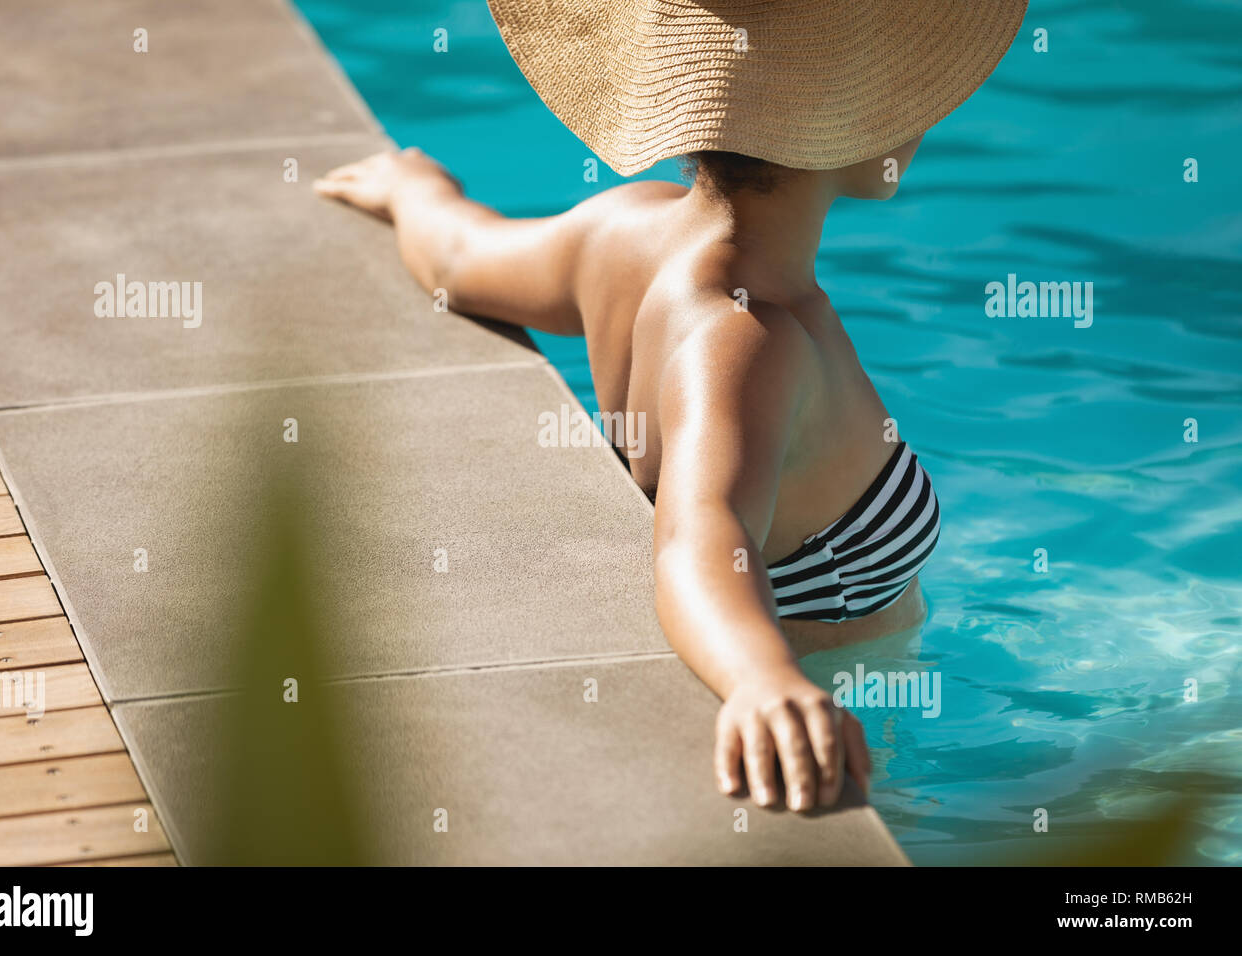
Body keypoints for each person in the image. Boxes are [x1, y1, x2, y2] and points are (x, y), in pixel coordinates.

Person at [314, 0, 1028, 814]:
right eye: (901, 83)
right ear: (846, 122)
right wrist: (764, 684)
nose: (929, 107)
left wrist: (416, 191)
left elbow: (460, 256)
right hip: (851, 736)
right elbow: (702, 539)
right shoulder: (751, 336)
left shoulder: (625, 229)